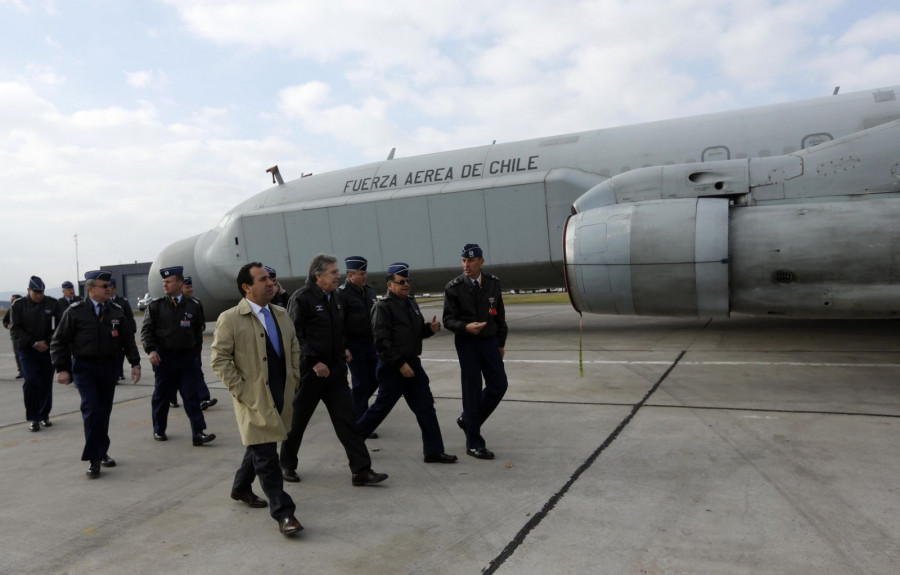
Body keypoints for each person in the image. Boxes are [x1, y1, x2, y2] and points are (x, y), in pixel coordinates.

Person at [210, 262, 303, 536]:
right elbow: (219, 359)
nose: (270, 282)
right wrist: (243, 392)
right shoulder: (230, 318)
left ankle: (240, 488)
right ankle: (284, 514)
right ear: (246, 287)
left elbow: (294, 348)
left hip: (281, 394)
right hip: (253, 399)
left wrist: (294, 378)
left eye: (271, 278)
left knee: (258, 445)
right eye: (263, 279)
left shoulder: (282, 314)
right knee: (267, 456)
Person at [280, 254, 388, 487]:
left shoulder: (335, 298)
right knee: (297, 421)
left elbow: (339, 330)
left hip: (336, 370)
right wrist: (313, 361)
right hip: (312, 372)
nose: (337, 275)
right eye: (333, 272)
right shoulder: (302, 298)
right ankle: (286, 464)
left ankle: (361, 470)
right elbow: (294, 336)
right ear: (318, 275)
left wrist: (343, 350)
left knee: (347, 420)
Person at [356, 263, 457, 464]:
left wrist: (430, 328)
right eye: (401, 282)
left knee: (426, 407)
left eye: (408, 281)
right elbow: (382, 342)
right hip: (393, 368)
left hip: (413, 365)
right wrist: (401, 364)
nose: (406, 285)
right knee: (380, 409)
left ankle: (434, 451)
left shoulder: (410, 303)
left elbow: (416, 332)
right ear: (390, 285)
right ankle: (353, 439)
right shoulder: (382, 307)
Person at [50, 270, 142, 478]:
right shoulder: (75, 311)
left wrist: (135, 363)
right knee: (92, 410)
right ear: (90, 289)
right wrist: (61, 368)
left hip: (109, 368)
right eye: (104, 286)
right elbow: (59, 341)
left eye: (109, 285)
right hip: (85, 367)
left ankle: (102, 451)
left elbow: (127, 339)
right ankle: (94, 459)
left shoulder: (116, 310)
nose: (109, 289)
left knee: (103, 411)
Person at [442, 243, 509, 460]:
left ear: (481, 261)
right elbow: (448, 320)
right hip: (467, 343)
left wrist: (500, 343)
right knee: (472, 390)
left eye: (470, 260)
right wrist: (465, 327)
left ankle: (468, 420)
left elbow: (499, 315)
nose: (466, 265)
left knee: (499, 385)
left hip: (489, 342)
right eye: (463, 260)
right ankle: (474, 443)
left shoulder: (492, 283)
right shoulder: (453, 287)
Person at [141, 266, 216, 446]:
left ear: (180, 283)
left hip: (187, 359)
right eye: (164, 282)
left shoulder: (193, 305)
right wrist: (151, 350)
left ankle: (199, 433)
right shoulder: (156, 306)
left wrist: (195, 356)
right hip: (164, 359)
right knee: (162, 396)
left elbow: (198, 332)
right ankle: (159, 429)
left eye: (169, 281)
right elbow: (146, 331)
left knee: (191, 397)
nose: (165, 284)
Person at [10, 276, 61, 431]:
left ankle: (44, 415)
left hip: (47, 349)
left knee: (46, 382)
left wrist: (47, 342)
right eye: (36, 292)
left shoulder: (52, 303)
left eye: (41, 292)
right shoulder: (18, 306)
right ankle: (33, 417)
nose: (39, 295)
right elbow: (15, 330)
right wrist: (33, 343)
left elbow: (59, 327)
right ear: (28, 290)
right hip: (27, 350)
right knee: (31, 381)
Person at [337, 256, 380, 426]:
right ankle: (360, 421)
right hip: (353, 345)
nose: (365, 276)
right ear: (350, 275)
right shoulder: (341, 294)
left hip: (371, 343)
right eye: (361, 273)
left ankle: (353, 410)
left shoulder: (368, 291)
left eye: (366, 272)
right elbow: (338, 323)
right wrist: (344, 348)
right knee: (361, 382)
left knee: (377, 377)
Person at [182, 276, 216, 410]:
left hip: (194, 345)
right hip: (178, 347)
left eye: (191, 287)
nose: (190, 289)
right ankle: (173, 398)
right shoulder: (172, 304)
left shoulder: (196, 303)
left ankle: (203, 398)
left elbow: (201, 323)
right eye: (187, 287)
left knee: (196, 371)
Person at [108, 278, 136, 382]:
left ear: (114, 288)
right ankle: (115, 373)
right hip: (109, 333)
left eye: (109, 287)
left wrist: (132, 331)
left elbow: (129, 317)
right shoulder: (105, 301)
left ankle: (119, 373)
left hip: (120, 333)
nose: (107, 290)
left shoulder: (122, 301)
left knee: (120, 354)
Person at [3, 294, 24, 378]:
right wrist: (7, 325)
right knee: (17, 354)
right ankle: (21, 371)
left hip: (26, 336)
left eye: (13, 301)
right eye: (11, 301)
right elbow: (5, 320)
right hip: (15, 336)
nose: (12, 302)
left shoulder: (26, 309)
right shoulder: (11, 309)